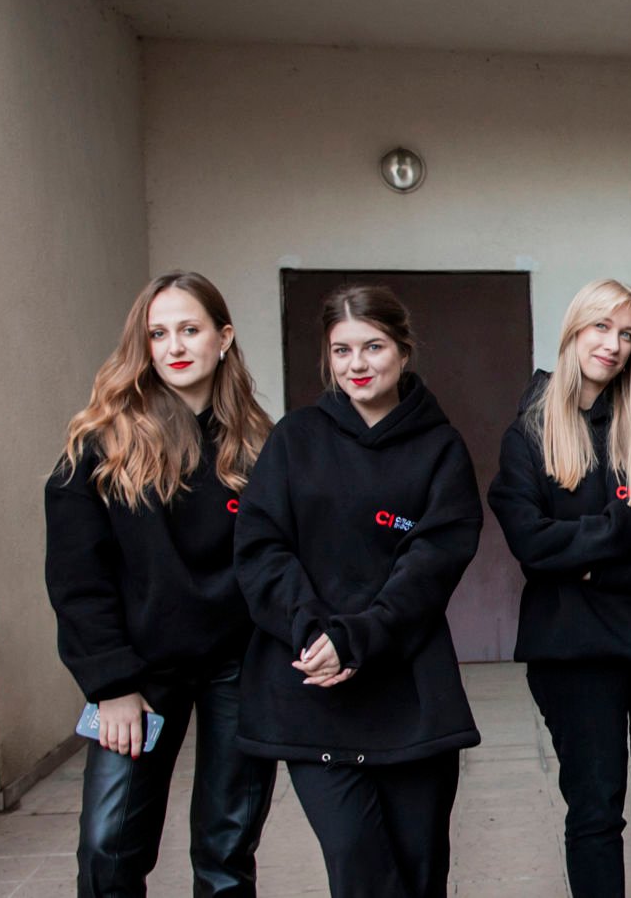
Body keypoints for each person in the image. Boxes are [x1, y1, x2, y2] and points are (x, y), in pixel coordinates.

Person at [234, 285, 483, 898]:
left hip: (410, 692)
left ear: (403, 350)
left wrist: (359, 637)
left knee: (420, 870)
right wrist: (315, 631)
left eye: (373, 346)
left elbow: (431, 565)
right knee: (358, 865)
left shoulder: (440, 449)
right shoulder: (295, 439)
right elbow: (262, 548)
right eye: (342, 350)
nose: (357, 364)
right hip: (312, 686)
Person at [45, 271, 277, 895]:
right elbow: (77, 578)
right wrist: (111, 684)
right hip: (139, 675)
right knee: (108, 850)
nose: (174, 346)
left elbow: (283, 560)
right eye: (158, 334)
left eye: (190, 330)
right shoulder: (102, 445)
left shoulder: (260, 445)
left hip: (241, 667)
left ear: (223, 338)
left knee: (226, 852)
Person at [488, 279, 631, 898]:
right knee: (596, 807)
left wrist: (591, 559)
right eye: (601, 328)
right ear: (574, 331)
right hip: (571, 649)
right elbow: (533, 546)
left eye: (628, 334)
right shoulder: (528, 434)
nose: (614, 344)